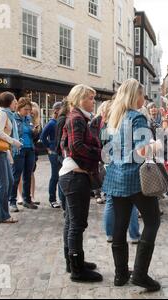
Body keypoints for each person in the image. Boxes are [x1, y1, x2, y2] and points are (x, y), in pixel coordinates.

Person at [102, 79, 162, 291]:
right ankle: (140, 274)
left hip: (116, 176)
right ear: (134, 96)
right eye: (142, 95)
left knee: (120, 225)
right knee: (153, 222)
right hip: (135, 178)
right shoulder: (137, 117)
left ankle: (120, 275)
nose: (144, 99)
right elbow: (142, 151)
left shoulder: (115, 118)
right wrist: (155, 145)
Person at [59, 84, 103, 283]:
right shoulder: (76, 118)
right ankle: (77, 270)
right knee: (77, 224)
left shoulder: (76, 116)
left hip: (71, 175)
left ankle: (73, 262)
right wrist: (99, 154)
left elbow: (64, 145)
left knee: (71, 222)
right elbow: (76, 146)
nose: (94, 101)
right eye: (91, 98)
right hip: (75, 178)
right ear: (80, 99)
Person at [99, 100, 141, 245]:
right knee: (131, 202)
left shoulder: (109, 123)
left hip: (111, 162)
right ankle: (134, 235)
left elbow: (103, 143)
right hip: (122, 163)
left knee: (111, 201)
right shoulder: (125, 120)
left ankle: (110, 234)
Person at [0, 92, 23, 224]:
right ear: (9, 102)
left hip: (0, 151)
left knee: (10, 181)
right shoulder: (2, 113)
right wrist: (13, 142)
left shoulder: (7, 114)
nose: (16, 104)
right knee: (4, 184)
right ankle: (3, 216)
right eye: (15, 101)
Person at [9, 98, 38, 212]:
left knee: (28, 175)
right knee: (16, 176)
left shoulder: (28, 118)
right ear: (19, 108)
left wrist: (35, 131)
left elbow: (32, 135)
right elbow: (10, 134)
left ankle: (27, 200)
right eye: (25, 109)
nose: (27, 112)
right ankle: (12, 201)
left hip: (30, 149)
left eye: (29, 110)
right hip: (18, 150)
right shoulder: (13, 118)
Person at [41, 102, 63, 208]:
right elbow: (42, 137)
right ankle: (52, 199)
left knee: (62, 175)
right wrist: (48, 148)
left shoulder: (60, 121)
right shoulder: (51, 123)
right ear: (56, 110)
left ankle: (61, 199)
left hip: (60, 152)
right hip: (54, 152)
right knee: (55, 176)